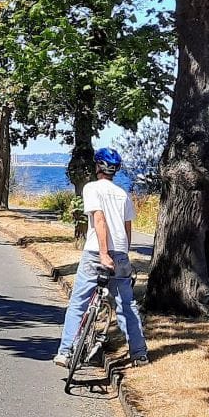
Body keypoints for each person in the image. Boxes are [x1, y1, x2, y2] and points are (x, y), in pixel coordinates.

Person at [54, 147, 149, 369]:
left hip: (96, 252)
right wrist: (122, 254)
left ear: (98, 166)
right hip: (120, 254)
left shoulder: (91, 188)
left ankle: (66, 352)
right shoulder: (123, 194)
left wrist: (104, 254)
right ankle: (139, 353)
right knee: (126, 305)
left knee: (79, 302)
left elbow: (99, 220)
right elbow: (127, 229)